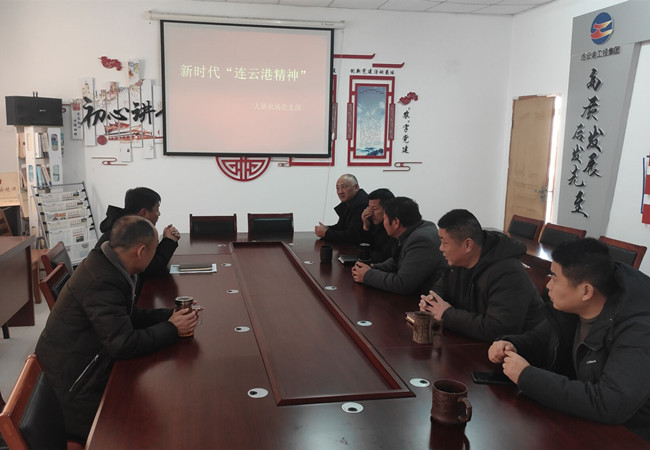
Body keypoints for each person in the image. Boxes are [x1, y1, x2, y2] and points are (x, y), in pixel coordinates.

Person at [35, 216, 199, 443]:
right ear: (141, 251)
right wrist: (172, 329)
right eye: (155, 249)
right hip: (72, 392)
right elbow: (123, 344)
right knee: (146, 428)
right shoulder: (101, 281)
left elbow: (126, 317)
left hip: (82, 368)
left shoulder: (106, 263)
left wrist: (170, 315)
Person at [488, 238, 650, 442]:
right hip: (581, 420)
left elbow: (611, 403)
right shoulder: (572, 307)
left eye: (555, 278)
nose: (548, 285)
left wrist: (526, 376)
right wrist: (511, 345)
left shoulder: (639, 329)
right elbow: (540, 339)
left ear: (586, 291)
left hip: (628, 437)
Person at [419, 209, 543, 342]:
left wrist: (447, 315)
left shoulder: (507, 272)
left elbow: (499, 328)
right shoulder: (458, 263)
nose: (441, 248)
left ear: (467, 245)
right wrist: (431, 303)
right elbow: (440, 289)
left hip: (518, 349)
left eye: (445, 243)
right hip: (474, 341)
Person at [352, 197, 446, 295]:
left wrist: (367, 275)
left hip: (421, 300)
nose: (384, 223)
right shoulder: (416, 229)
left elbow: (403, 284)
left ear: (396, 222)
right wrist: (373, 267)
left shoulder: (421, 240)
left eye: (385, 218)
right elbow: (397, 261)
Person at [96, 187, 180, 279]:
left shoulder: (124, 226)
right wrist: (169, 241)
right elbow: (150, 269)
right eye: (157, 209)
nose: (159, 214)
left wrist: (165, 240)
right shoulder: (127, 233)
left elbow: (149, 260)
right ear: (143, 212)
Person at [315, 174, 368, 244]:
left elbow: (352, 236)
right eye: (337, 188)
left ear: (356, 187)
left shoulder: (362, 204)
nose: (340, 192)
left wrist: (326, 233)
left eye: (344, 187)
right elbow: (341, 227)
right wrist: (327, 228)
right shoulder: (349, 202)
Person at [359, 188, 397, 264]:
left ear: (387, 209)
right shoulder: (375, 223)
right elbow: (363, 248)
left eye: (374, 208)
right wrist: (366, 226)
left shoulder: (394, 228)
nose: (370, 212)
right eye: (369, 208)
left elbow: (382, 257)